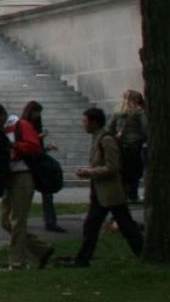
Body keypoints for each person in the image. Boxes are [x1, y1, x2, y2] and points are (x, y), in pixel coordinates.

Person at [58, 106, 144, 267]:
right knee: (93, 225)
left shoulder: (106, 139)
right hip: (101, 192)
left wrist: (90, 172)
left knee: (125, 225)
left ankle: (143, 252)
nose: (83, 124)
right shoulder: (98, 138)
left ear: (94, 122)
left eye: (85, 121)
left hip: (110, 192)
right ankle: (82, 259)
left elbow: (113, 166)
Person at [0, 101, 52, 269]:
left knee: (18, 220)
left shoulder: (21, 125)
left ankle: (17, 261)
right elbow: (2, 152)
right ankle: (41, 249)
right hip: (7, 176)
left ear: (1, 115)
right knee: (5, 221)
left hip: (23, 174)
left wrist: (15, 146)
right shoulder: (0, 131)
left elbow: (34, 146)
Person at [21, 101, 66, 232]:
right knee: (27, 194)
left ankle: (50, 222)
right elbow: (26, 143)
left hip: (39, 162)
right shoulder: (24, 124)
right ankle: (20, 219)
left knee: (47, 193)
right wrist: (38, 137)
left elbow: (37, 148)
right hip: (30, 163)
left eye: (39, 112)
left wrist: (46, 147)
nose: (38, 115)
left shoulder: (36, 125)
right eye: (36, 112)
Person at [106, 89, 148, 203]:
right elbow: (145, 127)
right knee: (136, 170)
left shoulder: (117, 111)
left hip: (120, 145)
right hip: (135, 144)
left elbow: (109, 128)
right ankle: (133, 194)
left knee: (123, 169)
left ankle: (123, 193)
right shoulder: (139, 112)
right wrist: (144, 138)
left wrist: (115, 137)